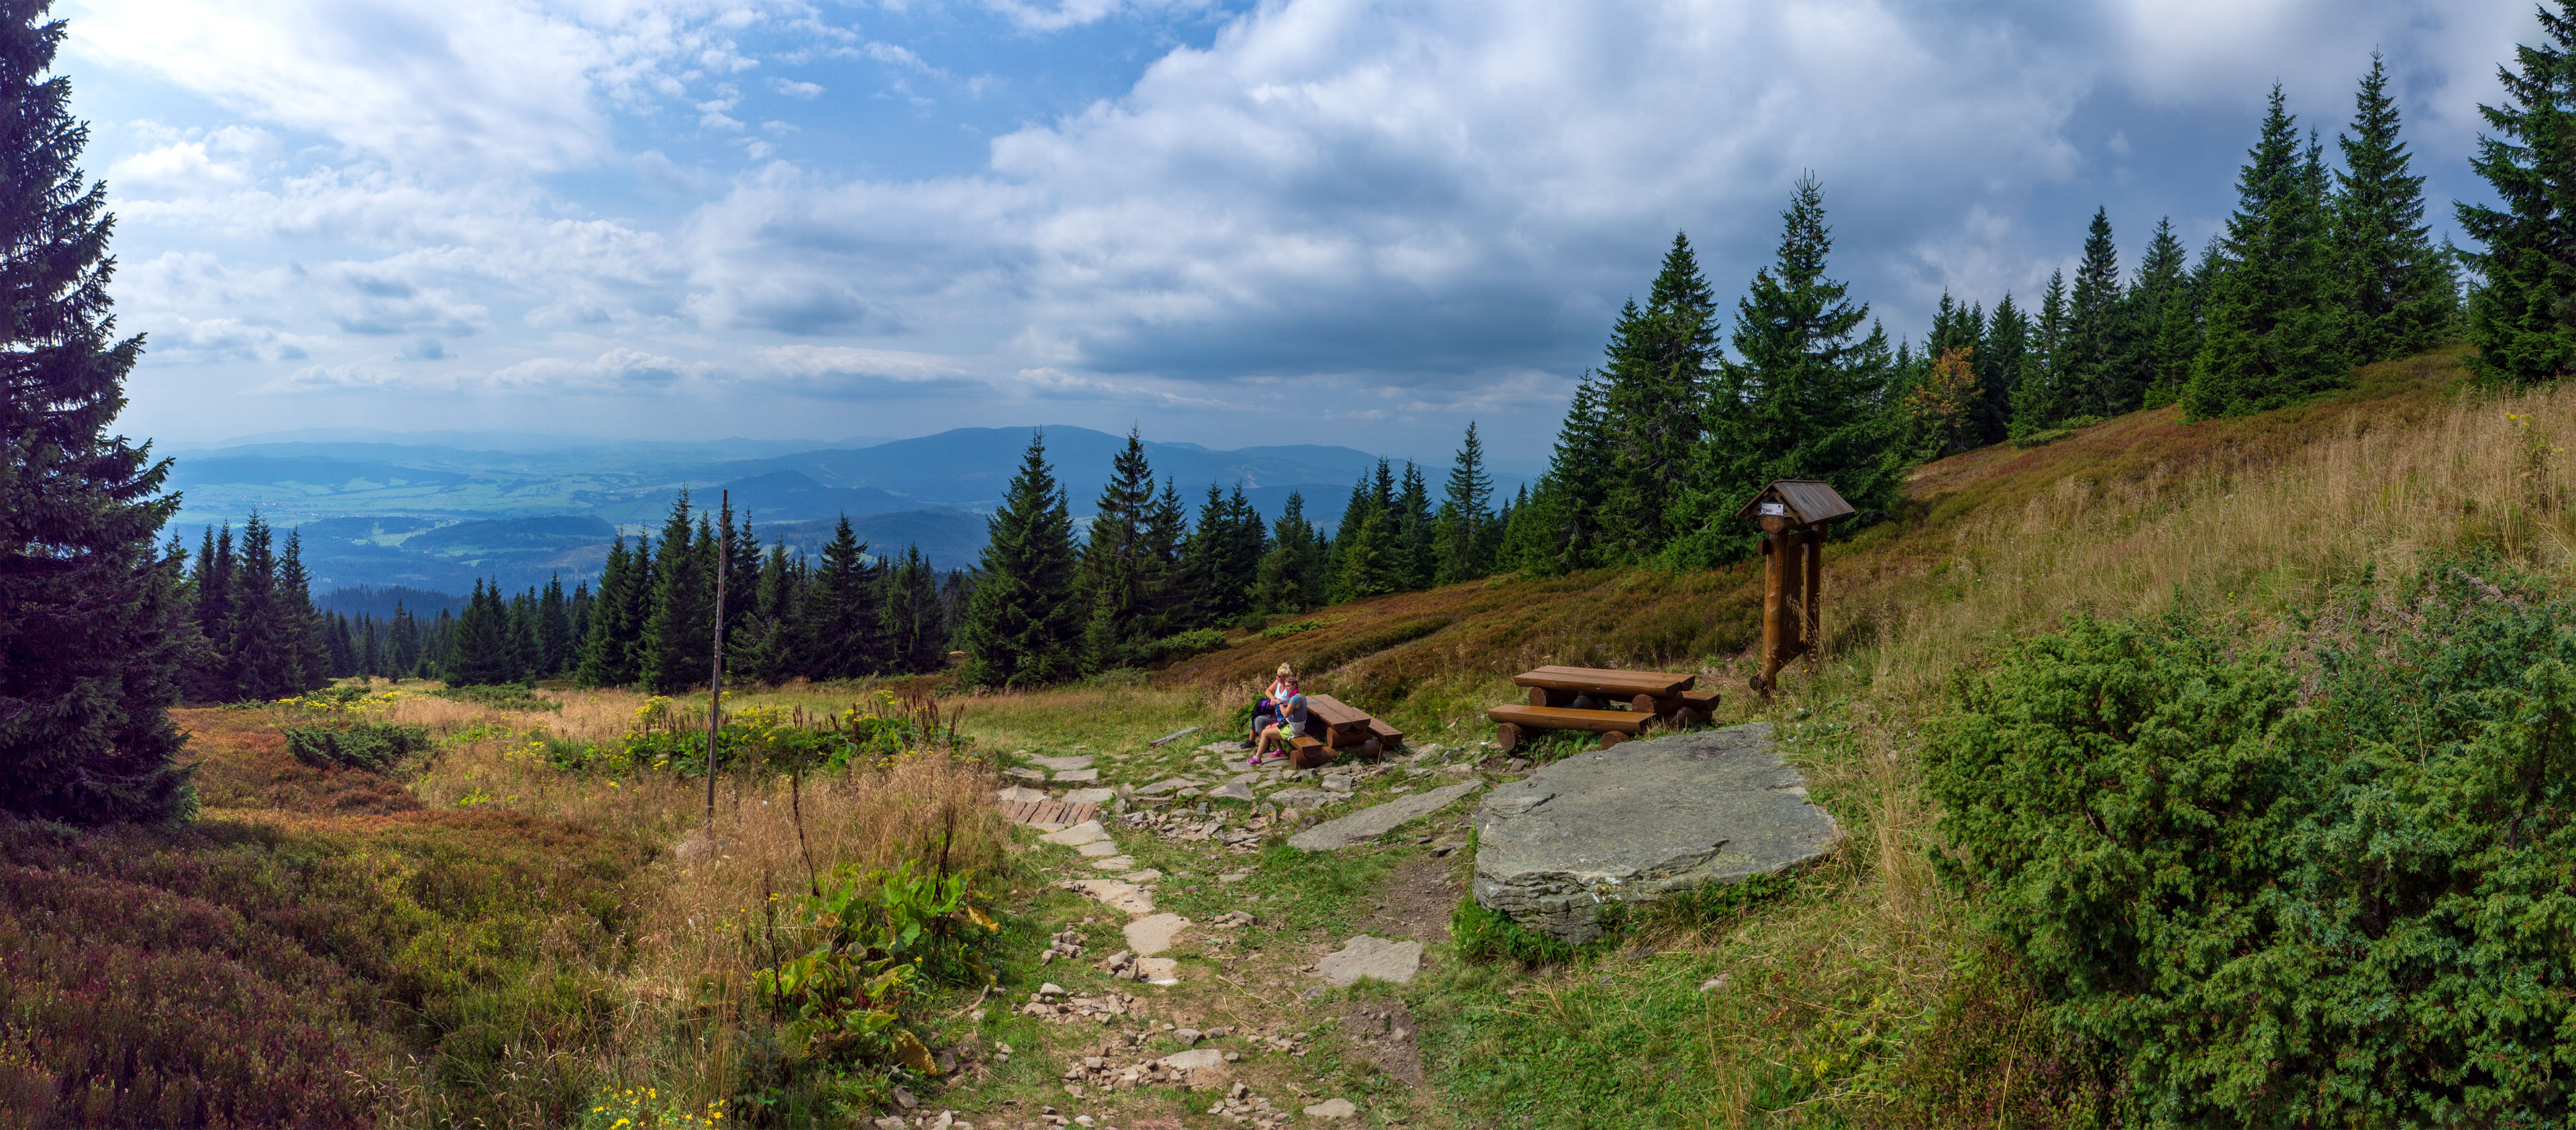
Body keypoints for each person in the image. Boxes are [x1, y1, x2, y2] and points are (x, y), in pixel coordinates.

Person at [1249, 667, 1308, 766]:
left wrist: (1280, 703)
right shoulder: (1300, 696)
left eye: (1288, 686)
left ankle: (1257, 759)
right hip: (1293, 724)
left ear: (1294, 686)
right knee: (1268, 728)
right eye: (1285, 687)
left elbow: (1285, 714)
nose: (1286, 689)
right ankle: (1280, 750)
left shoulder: (1294, 699)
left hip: (1294, 729)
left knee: (1264, 733)